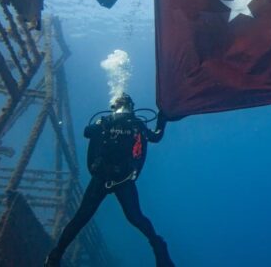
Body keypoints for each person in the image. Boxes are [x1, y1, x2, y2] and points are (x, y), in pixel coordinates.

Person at [45, 94, 175, 267]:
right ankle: (159, 248)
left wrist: (162, 119)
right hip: (114, 179)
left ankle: (55, 255)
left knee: (127, 217)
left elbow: (87, 132)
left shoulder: (124, 123)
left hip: (116, 179)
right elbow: (157, 136)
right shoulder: (130, 124)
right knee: (129, 218)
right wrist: (162, 119)